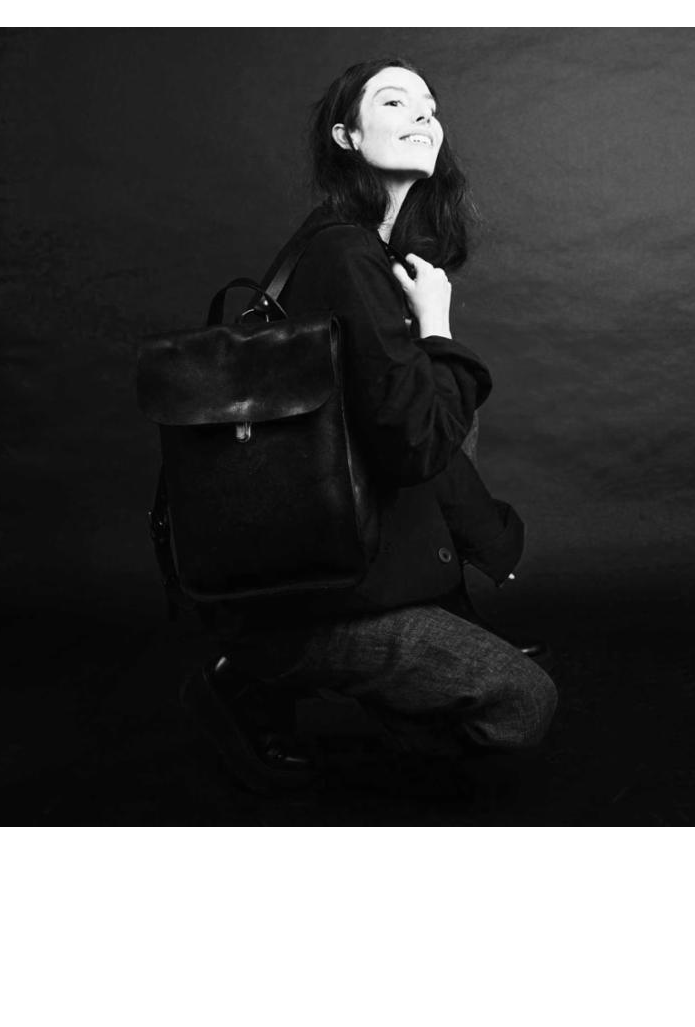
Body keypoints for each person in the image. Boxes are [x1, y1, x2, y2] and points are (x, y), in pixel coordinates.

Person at [181, 57, 557, 793]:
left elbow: (409, 437)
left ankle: (417, 636)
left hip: (357, 555)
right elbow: (416, 446)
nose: (423, 115)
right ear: (346, 136)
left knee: (440, 398)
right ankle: (261, 670)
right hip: (324, 595)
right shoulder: (347, 253)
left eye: (430, 106)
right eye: (393, 101)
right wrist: (438, 328)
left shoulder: (362, 249)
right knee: (524, 705)